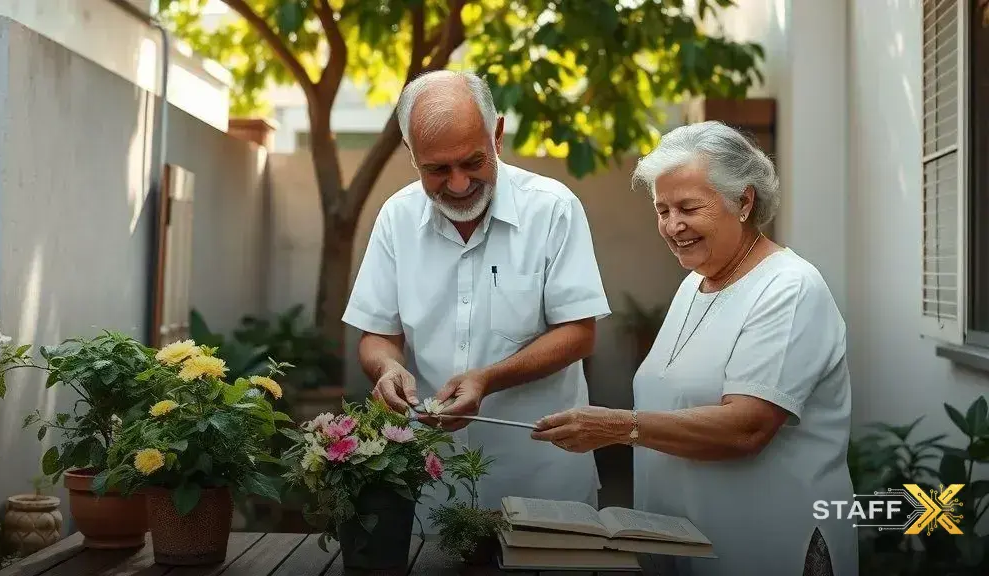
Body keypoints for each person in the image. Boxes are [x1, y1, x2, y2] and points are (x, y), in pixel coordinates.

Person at [531, 121, 859, 576]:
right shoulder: (695, 285)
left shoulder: (789, 287)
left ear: (744, 201)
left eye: (688, 207)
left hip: (767, 546)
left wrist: (617, 426)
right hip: (687, 543)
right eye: (661, 210)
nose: (672, 226)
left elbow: (746, 428)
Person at [341, 70, 612, 527]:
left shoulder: (553, 208)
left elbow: (579, 335)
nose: (460, 184)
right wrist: (388, 368)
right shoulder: (396, 218)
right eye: (437, 169)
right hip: (433, 481)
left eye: (472, 161)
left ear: (498, 135)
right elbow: (377, 336)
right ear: (410, 154)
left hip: (542, 479)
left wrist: (486, 379)